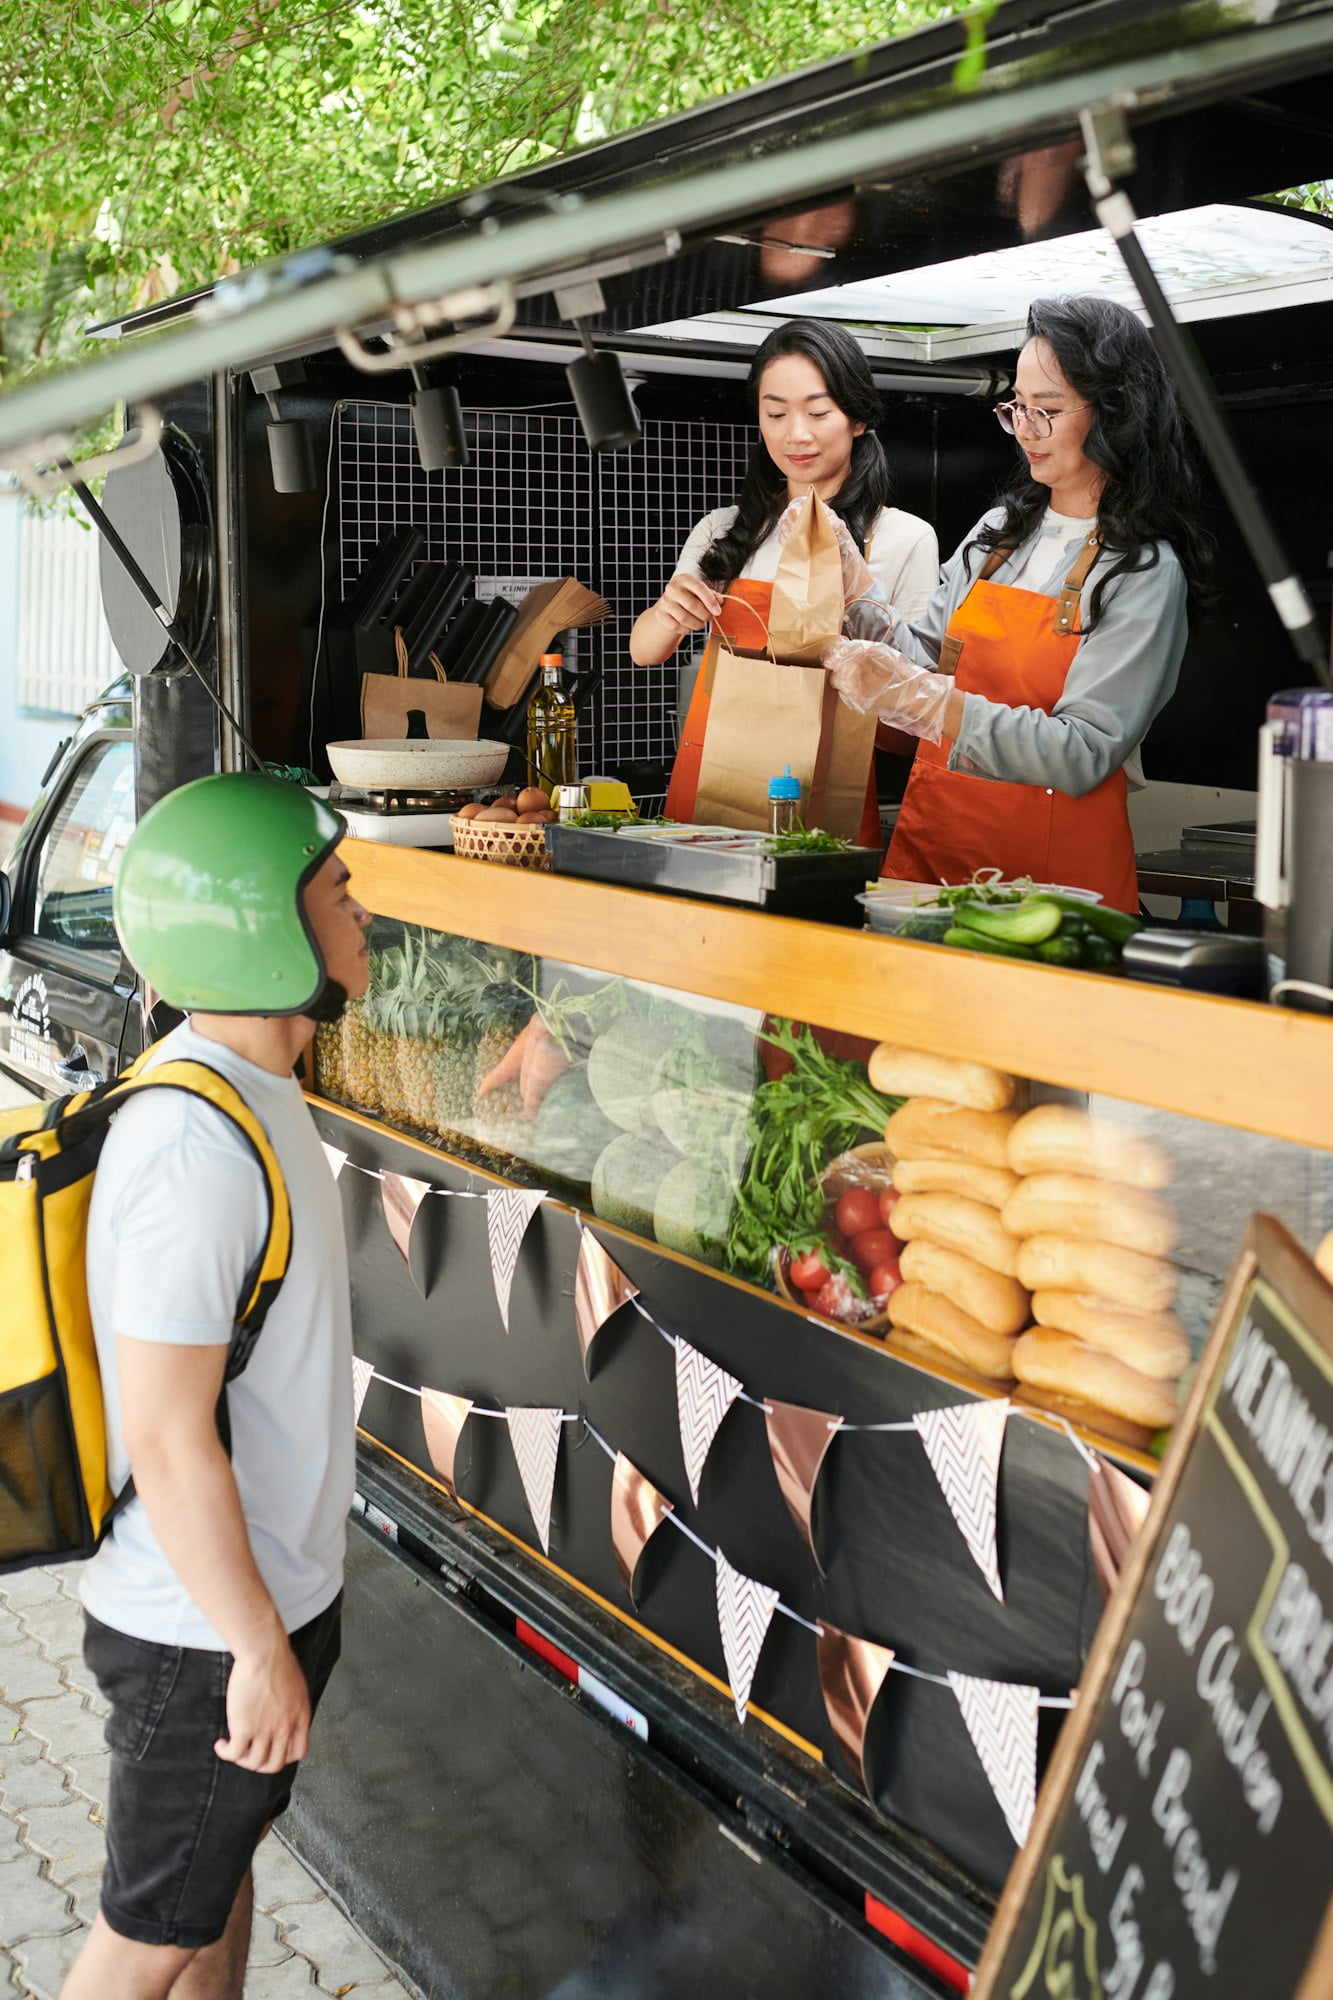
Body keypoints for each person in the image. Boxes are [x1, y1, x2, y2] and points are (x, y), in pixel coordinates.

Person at [60, 772, 370, 2000]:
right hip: (199, 1630)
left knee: (209, 1880)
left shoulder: (253, 1086)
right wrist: (253, 1645)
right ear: (261, 922)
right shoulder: (195, 1148)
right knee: (145, 1938)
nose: (361, 910)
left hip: (248, 1603)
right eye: (337, 887)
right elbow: (168, 1433)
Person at [821, 294, 1212, 910]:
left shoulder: (1142, 569)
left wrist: (929, 703)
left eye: (1048, 411)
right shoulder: (998, 530)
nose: (1025, 430)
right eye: (1017, 408)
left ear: (1114, 413)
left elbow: (1083, 750)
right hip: (933, 858)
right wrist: (853, 596)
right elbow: (921, 654)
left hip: (1051, 891)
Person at [630, 317, 938, 845]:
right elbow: (644, 652)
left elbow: (908, 731)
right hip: (712, 781)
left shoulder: (903, 537)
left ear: (858, 417)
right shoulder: (723, 531)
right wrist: (666, 614)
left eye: (818, 412)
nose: (796, 434)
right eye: (775, 413)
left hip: (825, 793)